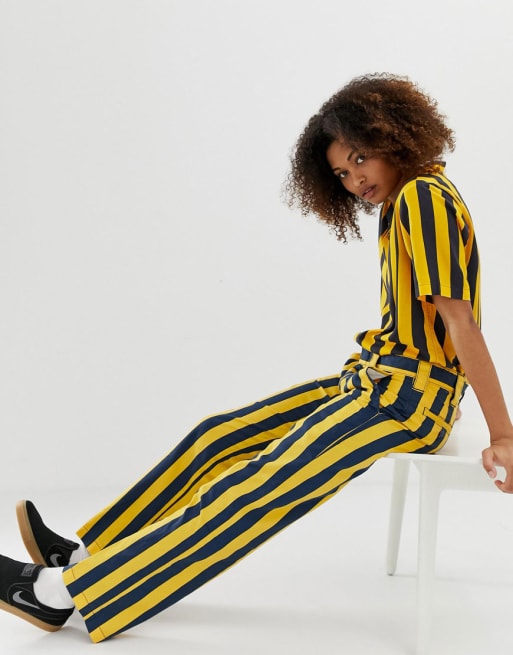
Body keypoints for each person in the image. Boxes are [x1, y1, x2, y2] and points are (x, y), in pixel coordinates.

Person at [2, 72, 513, 643]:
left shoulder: (422, 198)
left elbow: (460, 321)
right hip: (378, 381)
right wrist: (448, 388)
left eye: (360, 158)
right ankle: (86, 554)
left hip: (403, 400)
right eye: (342, 174)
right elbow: (433, 328)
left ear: (393, 136)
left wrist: (502, 434)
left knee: (257, 487)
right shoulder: (407, 201)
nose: (355, 180)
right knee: (218, 436)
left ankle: (61, 594)